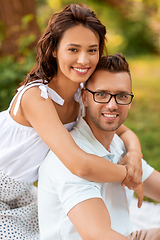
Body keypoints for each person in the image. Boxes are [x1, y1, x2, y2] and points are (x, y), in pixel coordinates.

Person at [0, 4, 142, 239]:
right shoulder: (36, 97)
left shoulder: (81, 96)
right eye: (73, 49)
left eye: (92, 50)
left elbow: (124, 133)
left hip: (20, 193)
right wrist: (129, 175)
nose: (84, 60)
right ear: (55, 50)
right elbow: (80, 165)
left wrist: (135, 156)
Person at [38, 53, 160, 240]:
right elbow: (99, 235)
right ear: (85, 98)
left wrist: (135, 153)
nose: (112, 105)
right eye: (102, 94)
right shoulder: (71, 158)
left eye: (121, 96)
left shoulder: (118, 145)